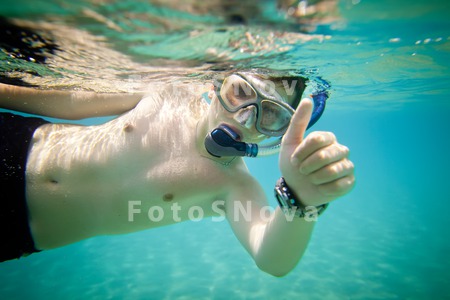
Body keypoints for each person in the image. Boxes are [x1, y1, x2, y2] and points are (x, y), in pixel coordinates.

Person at [0, 70, 354, 277]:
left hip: (14, 230)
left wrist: (303, 200)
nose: (244, 117)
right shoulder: (165, 94)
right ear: (218, 84)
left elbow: (271, 258)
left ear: (277, 132)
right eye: (240, 93)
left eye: (270, 115)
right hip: (13, 139)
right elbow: (68, 103)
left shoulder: (232, 186)